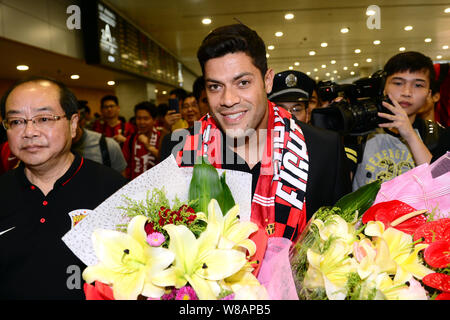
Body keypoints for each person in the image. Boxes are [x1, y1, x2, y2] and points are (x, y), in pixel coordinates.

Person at [161, 24, 351, 275]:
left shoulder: (322, 148)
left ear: (267, 80)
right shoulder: (181, 148)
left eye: (242, 82)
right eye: (215, 87)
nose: (228, 99)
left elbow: (342, 245)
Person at [0, 77, 127, 299]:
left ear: (73, 123)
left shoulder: (114, 190)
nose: (29, 131)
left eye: (44, 118)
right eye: (17, 121)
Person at [352, 51, 449, 191]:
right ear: (384, 87)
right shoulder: (361, 132)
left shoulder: (439, 134)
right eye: (398, 83)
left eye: (418, 85)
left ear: (429, 93)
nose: (407, 92)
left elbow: (441, 188)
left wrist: (410, 134)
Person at [71, 102, 127, 174]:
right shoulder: (97, 125)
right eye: (106, 107)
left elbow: (122, 178)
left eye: (111, 106)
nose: (109, 109)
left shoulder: (108, 145)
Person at [122, 101, 162, 180]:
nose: (141, 122)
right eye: (138, 118)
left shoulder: (161, 138)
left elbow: (166, 160)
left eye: (146, 118)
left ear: (154, 120)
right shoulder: (131, 139)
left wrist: (149, 146)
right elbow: (124, 165)